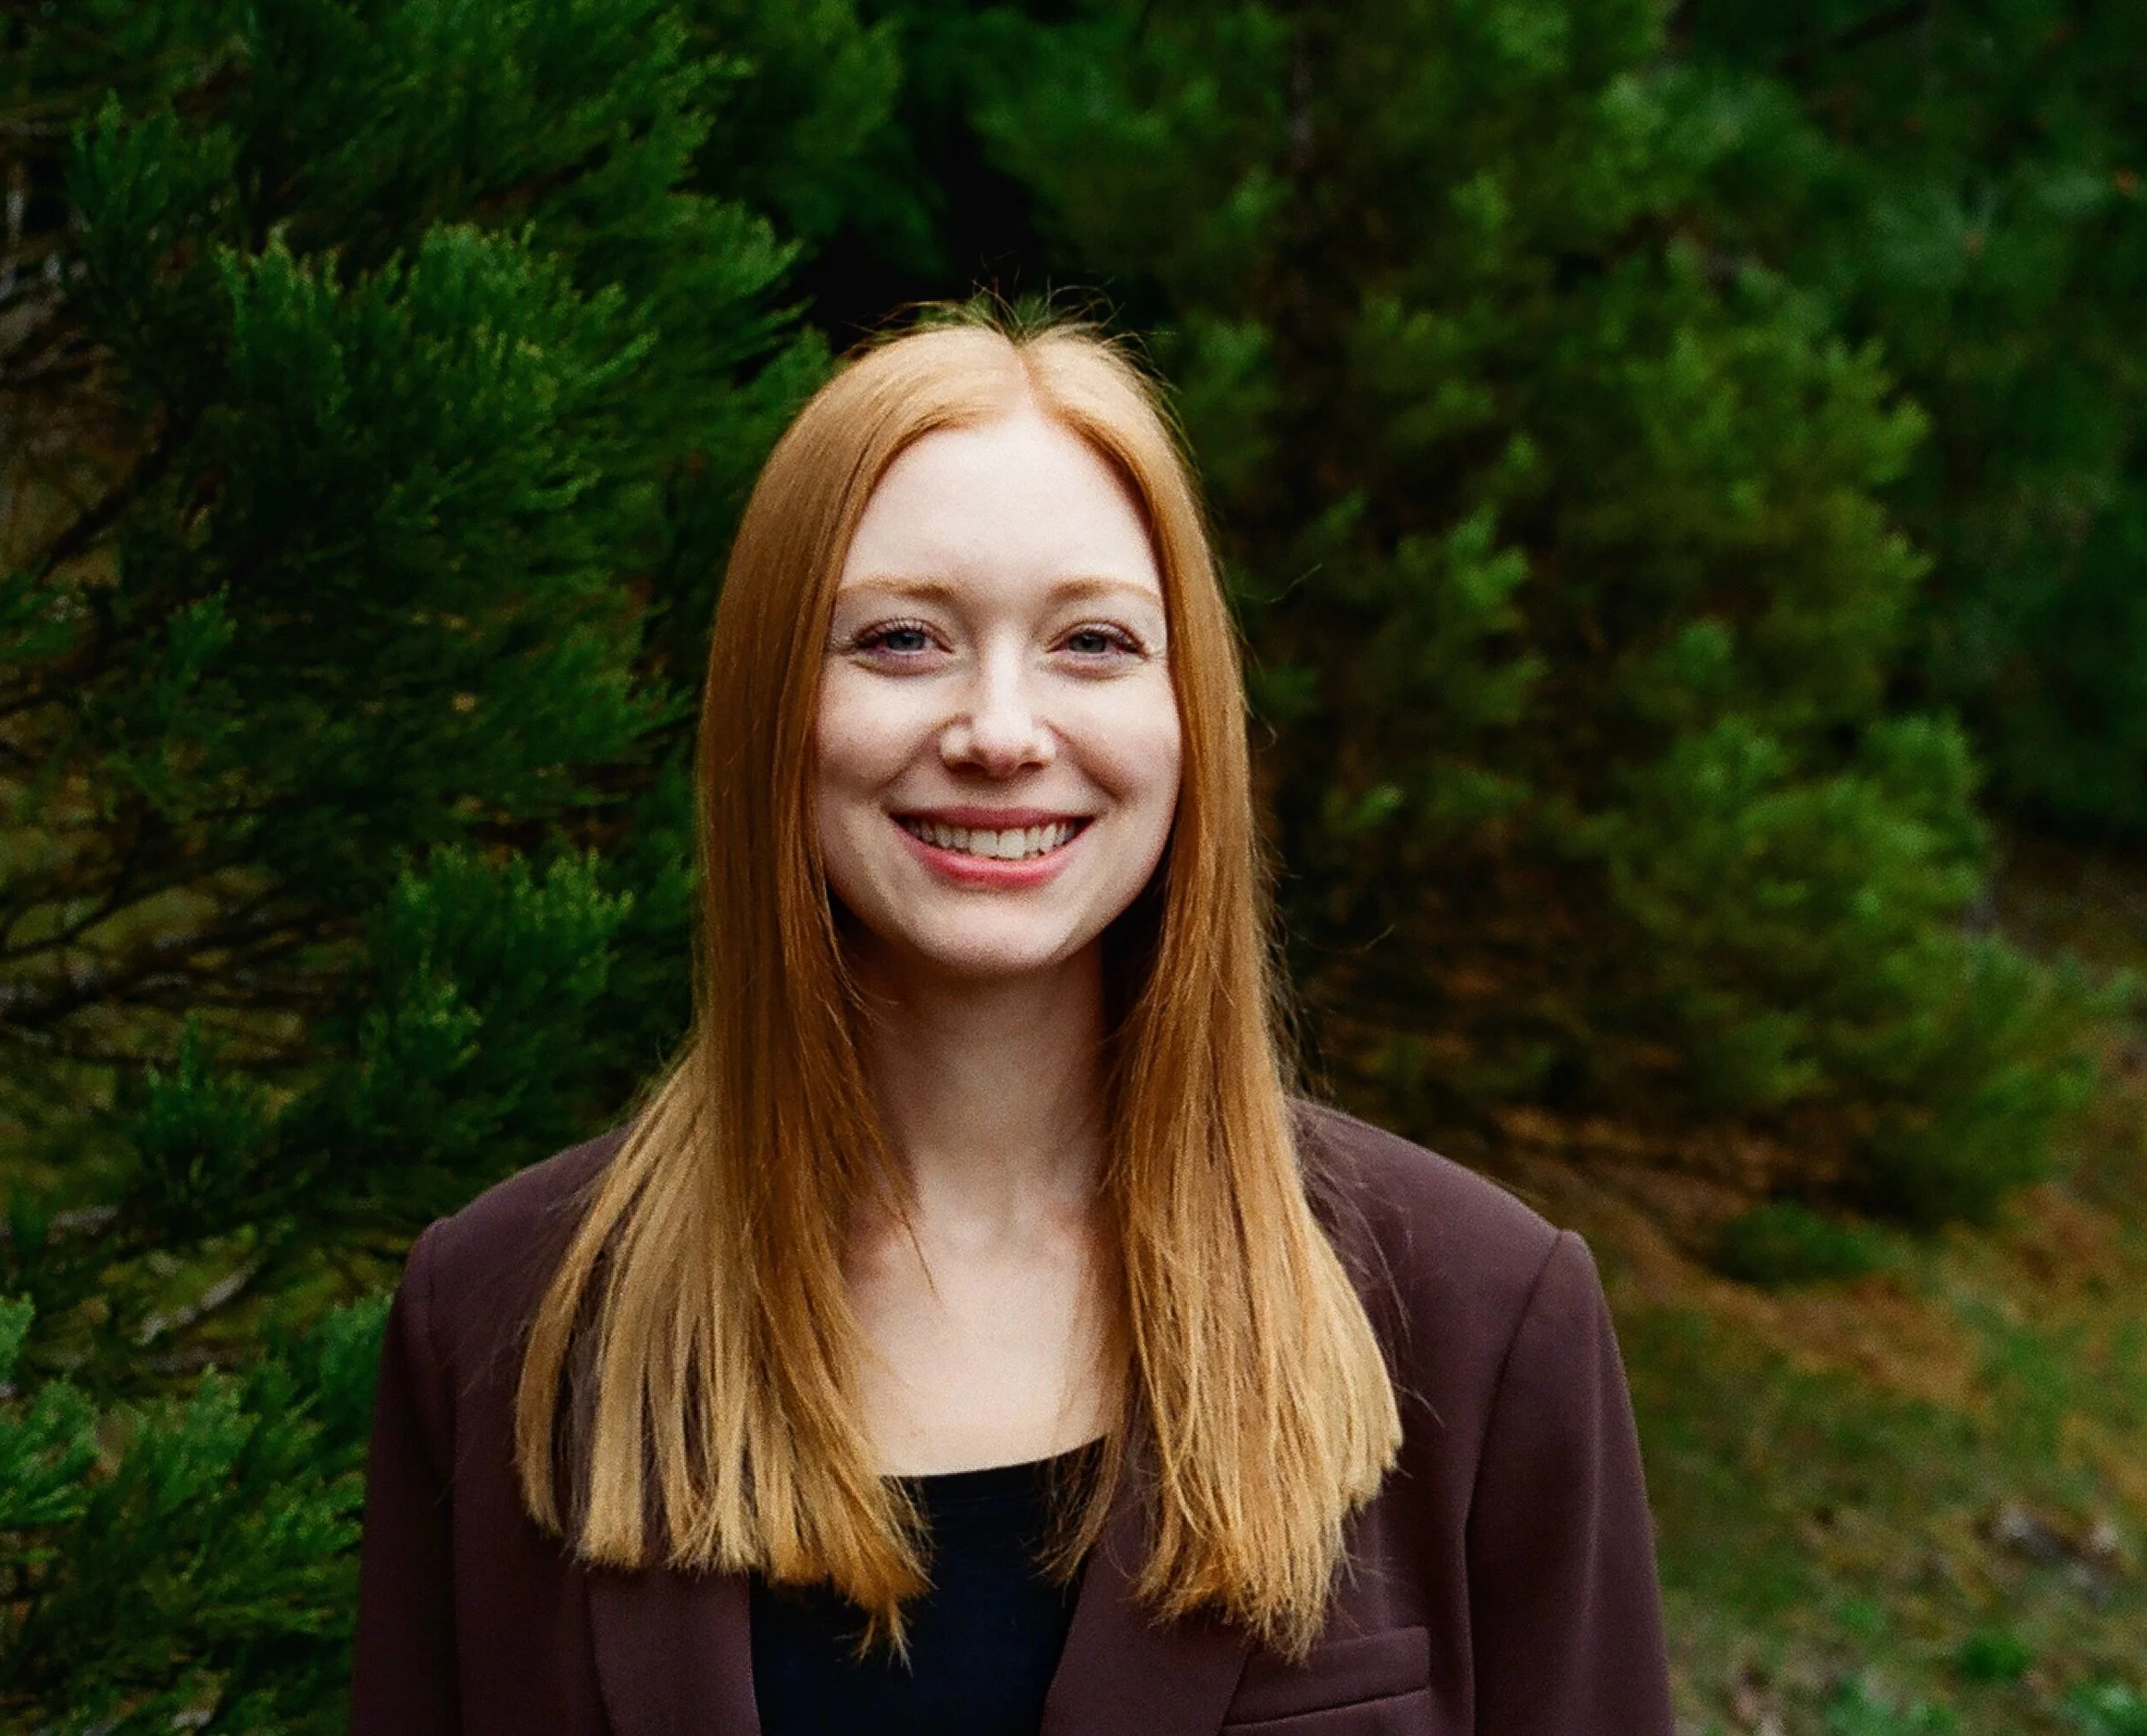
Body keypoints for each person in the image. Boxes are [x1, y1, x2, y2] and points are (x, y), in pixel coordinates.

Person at [348, 315, 1675, 1736]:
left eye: (1092, 641)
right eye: (903, 638)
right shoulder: (501, 1325)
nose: (999, 727)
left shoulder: (1483, 1320)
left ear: (1191, 719)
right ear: (772, 708)